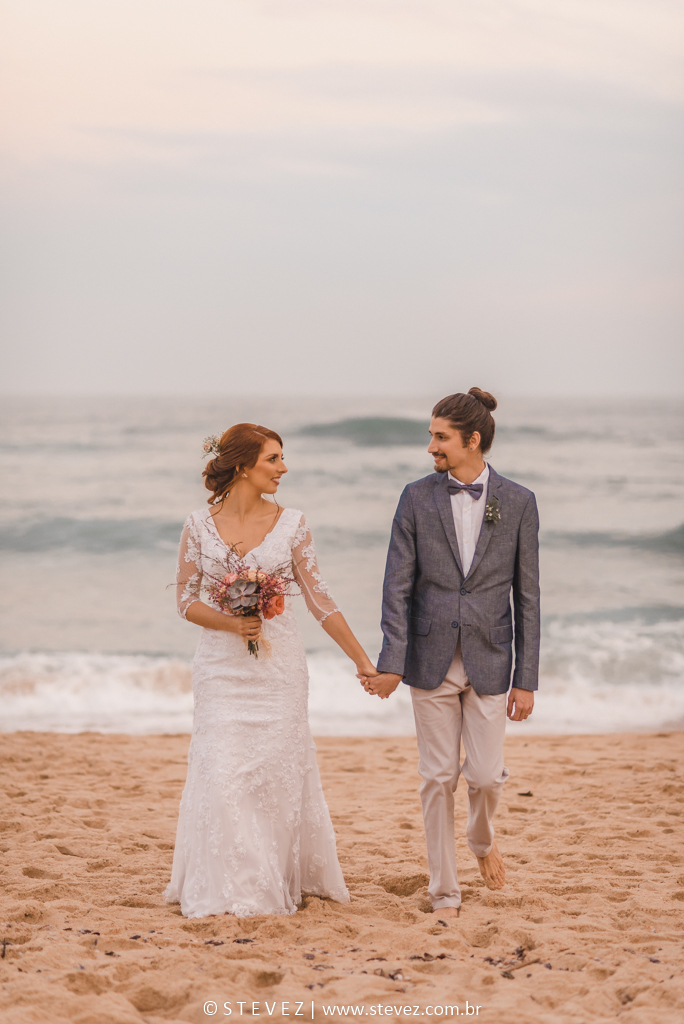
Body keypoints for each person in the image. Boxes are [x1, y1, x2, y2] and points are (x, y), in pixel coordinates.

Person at [165, 422, 378, 918]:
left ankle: (268, 882)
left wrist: (363, 661)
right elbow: (183, 601)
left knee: (269, 777)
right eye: (273, 459)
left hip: (278, 668)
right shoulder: (197, 524)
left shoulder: (294, 524)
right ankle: (227, 886)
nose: (284, 468)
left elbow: (322, 603)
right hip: (220, 669)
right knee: (221, 773)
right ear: (243, 465)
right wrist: (231, 624)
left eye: (282, 459)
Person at [359, 388, 540, 918]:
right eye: (432, 435)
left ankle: (481, 841)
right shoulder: (416, 497)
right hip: (429, 658)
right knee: (437, 776)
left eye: (440, 437)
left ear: (472, 440)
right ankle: (444, 889)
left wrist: (526, 678)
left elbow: (527, 595)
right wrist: (392, 661)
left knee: (485, 776)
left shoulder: (520, 501)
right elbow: (397, 585)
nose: (431, 446)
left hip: (491, 657)